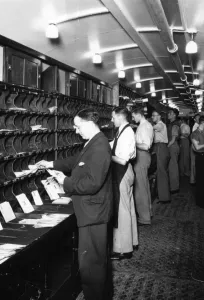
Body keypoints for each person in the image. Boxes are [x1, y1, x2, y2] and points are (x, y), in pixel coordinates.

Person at [36, 108, 112, 300]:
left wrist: (64, 182)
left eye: (78, 127)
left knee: (91, 266)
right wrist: (50, 163)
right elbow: (76, 162)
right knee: (92, 263)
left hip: (94, 213)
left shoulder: (100, 146)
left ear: (88, 124)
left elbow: (92, 184)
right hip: (91, 210)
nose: (76, 131)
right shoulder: (94, 142)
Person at [110, 107, 138, 260]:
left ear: (120, 117)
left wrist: (107, 155)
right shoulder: (122, 130)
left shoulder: (127, 133)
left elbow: (121, 159)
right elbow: (112, 144)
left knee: (122, 211)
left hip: (123, 172)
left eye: (113, 117)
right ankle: (131, 242)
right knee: (129, 208)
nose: (111, 120)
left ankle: (124, 250)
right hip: (125, 172)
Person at [132, 107, 154, 225]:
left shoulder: (144, 126)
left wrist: (132, 141)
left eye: (133, 116)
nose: (133, 118)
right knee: (144, 186)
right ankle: (147, 213)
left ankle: (144, 218)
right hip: (143, 157)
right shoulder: (145, 125)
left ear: (138, 114)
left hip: (142, 156)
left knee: (140, 188)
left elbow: (145, 146)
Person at [190, 116, 204, 208]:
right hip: (201, 158)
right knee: (201, 180)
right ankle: (200, 201)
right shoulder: (195, 134)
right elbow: (197, 147)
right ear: (202, 123)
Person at [152, 110, 171, 203]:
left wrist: (138, 126)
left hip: (161, 148)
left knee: (161, 172)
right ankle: (163, 196)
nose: (152, 117)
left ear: (159, 116)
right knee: (161, 172)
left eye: (153, 116)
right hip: (161, 148)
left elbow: (151, 128)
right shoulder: (161, 124)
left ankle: (164, 198)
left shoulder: (160, 124)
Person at [167, 108, 180, 193]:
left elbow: (173, 139)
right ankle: (173, 186)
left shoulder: (175, 124)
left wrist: (167, 146)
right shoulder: (171, 123)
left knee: (173, 167)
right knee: (172, 166)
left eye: (170, 113)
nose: (168, 114)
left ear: (174, 115)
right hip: (172, 146)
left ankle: (174, 188)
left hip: (172, 146)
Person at [190, 113, 200, 184]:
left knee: (195, 163)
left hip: (196, 146)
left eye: (200, 118)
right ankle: (193, 180)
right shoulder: (195, 127)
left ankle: (194, 179)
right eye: (197, 118)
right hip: (195, 146)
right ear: (195, 119)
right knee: (193, 163)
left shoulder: (198, 126)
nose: (199, 119)